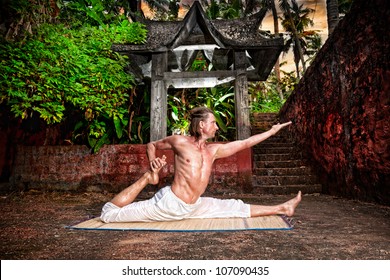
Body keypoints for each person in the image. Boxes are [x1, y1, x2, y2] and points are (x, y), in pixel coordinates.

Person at [100, 107, 301, 223]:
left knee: (233, 207)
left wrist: (272, 132)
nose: (216, 126)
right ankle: (146, 179)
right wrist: (152, 166)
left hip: (194, 207)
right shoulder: (179, 142)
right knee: (108, 215)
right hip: (169, 206)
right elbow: (152, 144)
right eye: (213, 122)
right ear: (202, 125)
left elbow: (245, 143)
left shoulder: (214, 150)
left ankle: (283, 208)